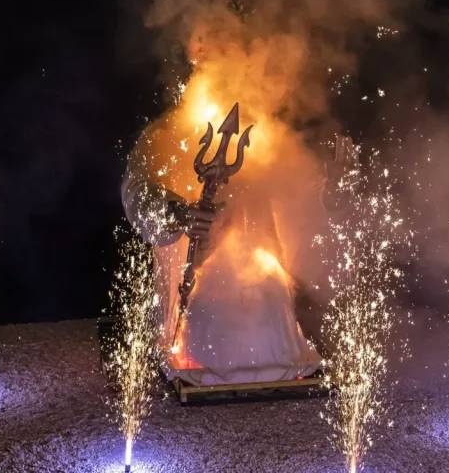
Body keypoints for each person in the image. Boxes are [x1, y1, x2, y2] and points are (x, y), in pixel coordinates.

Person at [122, 108, 357, 387]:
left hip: (258, 267)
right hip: (196, 276)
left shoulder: (268, 132)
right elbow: (137, 191)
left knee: (266, 299)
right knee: (206, 311)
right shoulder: (166, 135)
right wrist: (177, 214)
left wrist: (333, 194)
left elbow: (303, 192)